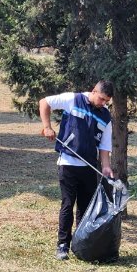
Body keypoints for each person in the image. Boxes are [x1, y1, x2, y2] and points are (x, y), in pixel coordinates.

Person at [38, 80, 114, 260]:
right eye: (102, 99)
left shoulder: (105, 117)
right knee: (67, 204)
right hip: (68, 163)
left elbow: (104, 146)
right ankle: (62, 245)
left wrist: (105, 166)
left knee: (84, 208)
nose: (103, 103)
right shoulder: (73, 99)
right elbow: (44, 102)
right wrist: (47, 127)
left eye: (106, 101)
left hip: (88, 167)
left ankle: (80, 244)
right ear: (93, 91)